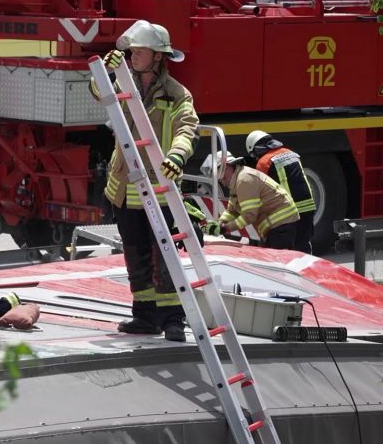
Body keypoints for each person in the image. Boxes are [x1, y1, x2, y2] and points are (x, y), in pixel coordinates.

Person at [96, 20, 199, 342]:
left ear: (158, 56)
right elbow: (99, 93)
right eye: (130, 51)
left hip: (160, 188)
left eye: (138, 51)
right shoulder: (122, 82)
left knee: (164, 258)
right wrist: (108, 73)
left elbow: (187, 128)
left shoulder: (176, 94)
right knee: (135, 254)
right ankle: (144, 316)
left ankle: (172, 320)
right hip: (126, 188)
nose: (131, 56)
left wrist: (177, 156)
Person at [201, 151, 300, 250]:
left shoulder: (244, 180)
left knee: (277, 261)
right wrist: (219, 223)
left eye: (218, 174)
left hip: (281, 223)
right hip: (276, 225)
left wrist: (225, 228)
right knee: (269, 259)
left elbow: (249, 215)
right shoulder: (237, 181)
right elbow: (232, 211)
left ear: (226, 166)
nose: (220, 180)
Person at [246, 130, 315, 253]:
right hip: (308, 208)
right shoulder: (291, 153)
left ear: (256, 149)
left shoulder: (263, 163)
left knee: (287, 253)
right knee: (303, 247)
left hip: (288, 213)